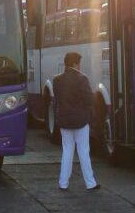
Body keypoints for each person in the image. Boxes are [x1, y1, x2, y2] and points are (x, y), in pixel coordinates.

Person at [53, 51, 99, 192]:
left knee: (67, 151)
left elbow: (58, 100)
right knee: (83, 151)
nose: (80, 66)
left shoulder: (57, 80)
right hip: (80, 121)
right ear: (75, 63)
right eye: (79, 63)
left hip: (65, 121)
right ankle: (90, 183)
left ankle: (63, 183)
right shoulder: (82, 79)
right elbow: (89, 100)